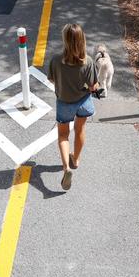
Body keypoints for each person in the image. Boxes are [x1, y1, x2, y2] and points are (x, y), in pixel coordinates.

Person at [46, 23, 101, 191]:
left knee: (63, 135)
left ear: (65, 41)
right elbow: (93, 87)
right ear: (81, 40)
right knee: (80, 130)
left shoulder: (56, 60)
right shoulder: (88, 62)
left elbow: (51, 79)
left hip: (64, 102)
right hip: (82, 102)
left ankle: (66, 168)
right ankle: (75, 160)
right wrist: (95, 86)